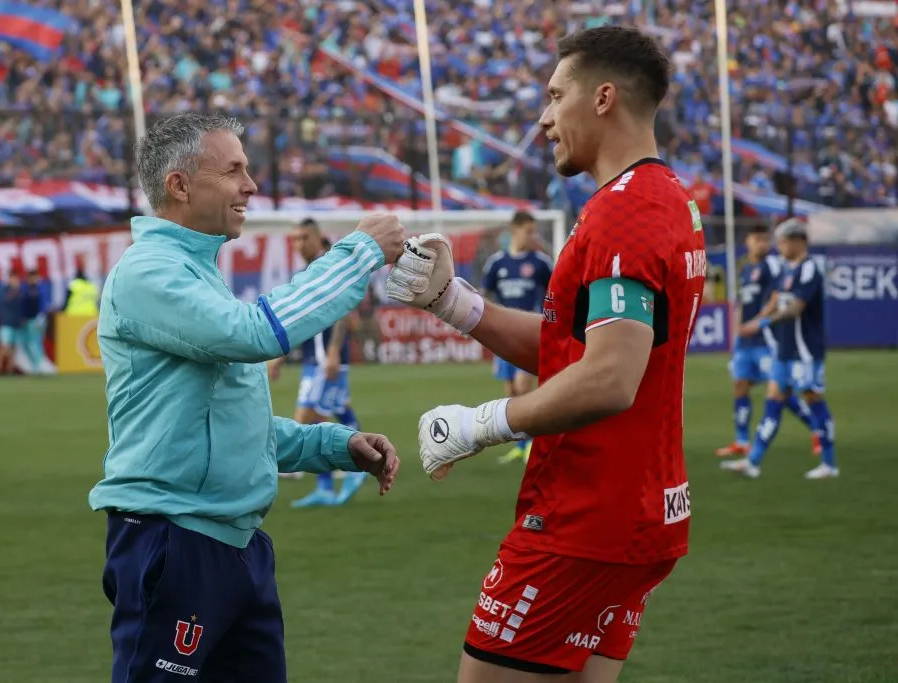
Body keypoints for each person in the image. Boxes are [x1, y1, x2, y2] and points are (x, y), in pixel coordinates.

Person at [387, 26, 703, 683]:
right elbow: (575, 345)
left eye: (556, 95)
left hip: (585, 515)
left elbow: (611, 375)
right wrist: (456, 302)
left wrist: (484, 422)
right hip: (640, 511)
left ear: (603, 98)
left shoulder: (627, 211)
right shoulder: (663, 197)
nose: (543, 116)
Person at [87, 111, 404, 683]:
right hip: (173, 538)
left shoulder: (198, 274)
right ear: (179, 185)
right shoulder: (150, 272)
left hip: (237, 547)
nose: (251, 186)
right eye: (233, 170)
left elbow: (232, 421)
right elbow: (254, 335)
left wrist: (333, 444)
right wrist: (359, 254)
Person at [720, 218, 838, 479]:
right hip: (784, 350)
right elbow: (775, 302)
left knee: (813, 400)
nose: (779, 247)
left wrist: (762, 322)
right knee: (773, 402)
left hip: (805, 350)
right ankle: (752, 462)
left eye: (783, 242)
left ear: (797, 241)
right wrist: (751, 323)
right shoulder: (786, 269)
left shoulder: (809, 269)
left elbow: (796, 307)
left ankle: (829, 463)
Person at [269, 220, 368, 507]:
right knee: (330, 414)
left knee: (306, 418)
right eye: (295, 239)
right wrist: (279, 357)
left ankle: (358, 464)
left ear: (317, 238)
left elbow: (343, 314)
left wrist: (335, 350)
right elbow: (301, 322)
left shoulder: (328, 267)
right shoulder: (307, 273)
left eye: (304, 238)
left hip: (326, 359)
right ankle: (328, 485)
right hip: (315, 360)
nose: (299, 244)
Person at [481, 211, 553, 465]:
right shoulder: (497, 263)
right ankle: (522, 445)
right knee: (512, 390)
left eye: (534, 231)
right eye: (528, 231)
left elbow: (556, 290)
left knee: (524, 386)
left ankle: (534, 442)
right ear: (515, 230)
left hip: (531, 332)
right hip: (503, 336)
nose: (532, 237)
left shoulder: (540, 262)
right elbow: (484, 295)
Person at [0, 270, 24, 376]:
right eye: (13, 279)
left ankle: (9, 369)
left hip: (16, 323)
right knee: (4, 346)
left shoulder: (20, 291)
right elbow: (5, 301)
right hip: (6, 323)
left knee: (13, 347)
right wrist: (14, 291)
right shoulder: (4, 290)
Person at [19, 269, 47, 374]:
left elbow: (42, 304)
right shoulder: (26, 288)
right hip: (27, 320)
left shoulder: (39, 289)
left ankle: (40, 365)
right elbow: (24, 305)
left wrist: (41, 316)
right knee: (27, 343)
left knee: (35, 343)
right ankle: (35, 365)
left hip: (36, 319)